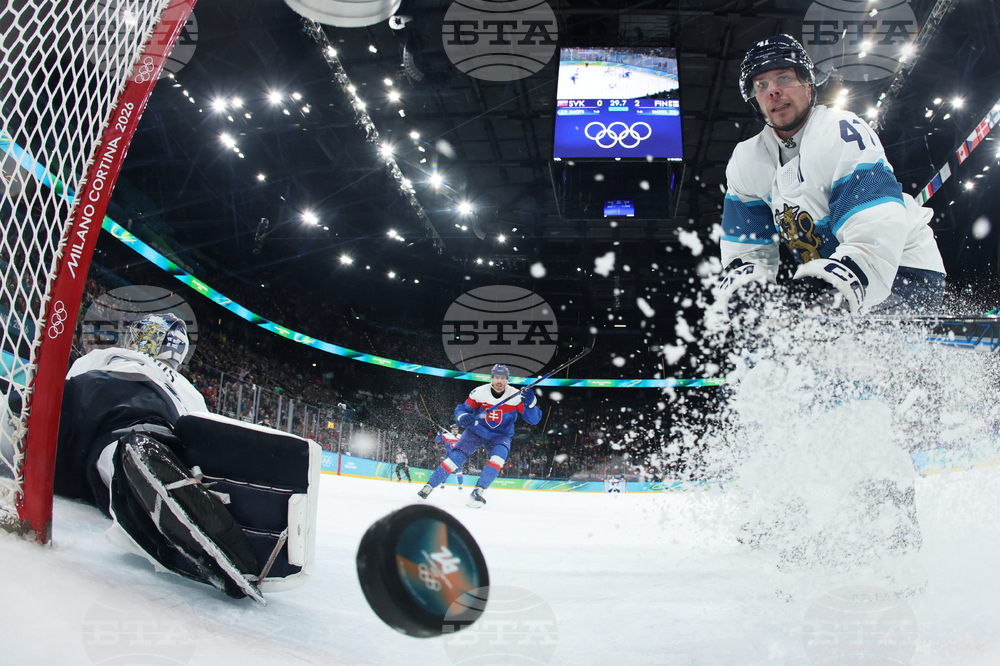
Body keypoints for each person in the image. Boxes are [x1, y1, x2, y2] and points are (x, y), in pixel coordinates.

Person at [39, 314, 318, 602]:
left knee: (31, 424)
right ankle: (139, 463)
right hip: (149, 410)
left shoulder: (106, 355)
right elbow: (198, 437)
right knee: (120, 448)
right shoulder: (187, 389)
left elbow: (69, 384)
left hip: (84, 398)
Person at [717, 34, 946, 321]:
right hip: (840, 274)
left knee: (843, 355)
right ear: (754, 99)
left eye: (784, 78)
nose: (773, 91)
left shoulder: (840, 130)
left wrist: (828, 287)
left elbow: (874, 223)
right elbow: (747, 249)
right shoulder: (746, 161)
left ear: (808, 84)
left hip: (904, 270)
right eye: (762, 85)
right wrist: (747, 293)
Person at [418, 364, 541, 508]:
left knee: (499, 457)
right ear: (491, 378)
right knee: (456, 457)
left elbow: (534, 420)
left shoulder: (516, 396)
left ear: (507, 380)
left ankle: (479, 491)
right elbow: (462, 409)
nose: (499, 381)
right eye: (496, 377)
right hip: (476, 430)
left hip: (500, 435)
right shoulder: (479, 392)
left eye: (502, 378)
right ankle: (429, 486)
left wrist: (532, 406)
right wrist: (463, 416)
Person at [435, 423, 463, 490]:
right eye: (453, 429)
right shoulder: (447, 435)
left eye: (456, 429)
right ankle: (443, 483)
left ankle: (460, 485)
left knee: (458, 470)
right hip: (449, 454)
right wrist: (440, 433)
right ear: (451, 429)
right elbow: (437, 439)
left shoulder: (461, 436)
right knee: (446, 469)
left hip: (457, 455)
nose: (454, 431)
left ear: (458, 430)